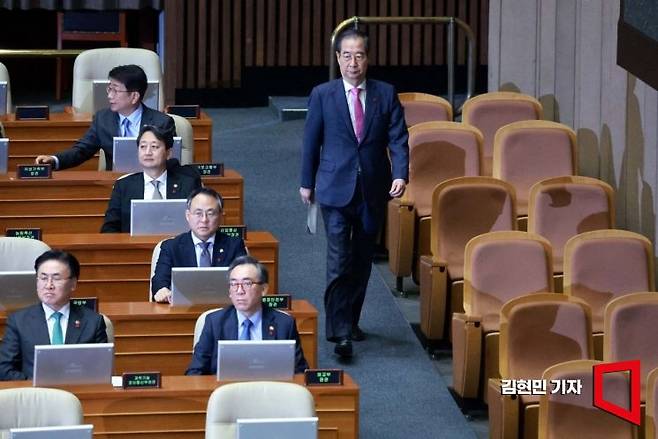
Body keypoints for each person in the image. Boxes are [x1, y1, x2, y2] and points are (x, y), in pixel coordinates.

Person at [299, 28, 409, 358]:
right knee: (338, 260)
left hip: (373, 190)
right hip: (334, 189)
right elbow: (311, 141)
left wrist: (401, 174)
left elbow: (399, 139)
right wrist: (307, 182)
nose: (353, 62)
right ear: (337, 58)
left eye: (359, 55)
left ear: (368, 58)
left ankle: (352, 320)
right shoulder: (323, 94)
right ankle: (339, 332)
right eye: (346, 55)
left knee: (362, 262)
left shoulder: (385, 93)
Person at [35, 64, 176, 171]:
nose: (109, 95)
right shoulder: (103, 119)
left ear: (134, 96)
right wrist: (54, 160)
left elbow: (171, 162)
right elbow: (81, 151)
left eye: (115, 90)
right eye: (109, 89)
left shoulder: (162, 123)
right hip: (115, 185)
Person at [186, 255, 308, 375]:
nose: (239, 291)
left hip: (270, 391)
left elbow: (299, 372)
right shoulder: (214, 322)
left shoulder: (284, 324)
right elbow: (195, 371)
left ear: (264, 289)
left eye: (247, 283)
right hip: (226, 392)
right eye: (234, 284)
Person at [0, 250, 108, 381]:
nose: (48, 285)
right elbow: (4, 369)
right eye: (43, 278)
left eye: (56, 278)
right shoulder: (19, 321)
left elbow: (101, 370)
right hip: (36, 396)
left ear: (73, 283)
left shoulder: (93, 322)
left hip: (79, 394)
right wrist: (36, 384)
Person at [151, 187, 247, 303]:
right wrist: (162, 290)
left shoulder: (234, 245)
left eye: (210, 213)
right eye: (198, 213)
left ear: (221, 216)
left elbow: (245, 278)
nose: (204, 220)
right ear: (188, 215)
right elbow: (159, 280)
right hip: (183, 310)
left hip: (223, 309)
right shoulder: (171, 247)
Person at [100, 125, 202, 233]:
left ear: (168, 153)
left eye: (154, 147)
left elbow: (199, 223)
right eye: (143, 147)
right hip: (135, 247)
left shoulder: (187, 184)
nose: (148, 152)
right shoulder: (123, 186)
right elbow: (109, 228)